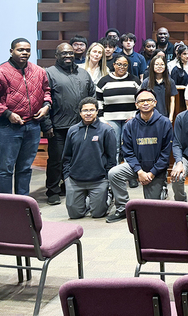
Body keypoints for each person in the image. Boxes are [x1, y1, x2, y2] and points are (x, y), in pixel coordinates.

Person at [0, 38, 51, 195]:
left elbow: (47, 91)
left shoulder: (38, 71)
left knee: (25, 168)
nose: (25, 53)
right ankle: (6, 206)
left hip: (32, 126)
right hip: (8, 128)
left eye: (28, 50)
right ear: (11, 51)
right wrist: (7, 113)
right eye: (20, 50)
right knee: (6, 168)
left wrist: (46, 106)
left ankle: (22, 204)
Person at [106, 88, 173, 222]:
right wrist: (140, 172)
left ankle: (162, 187)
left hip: (156, 171)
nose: (145, 103)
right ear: (136, 105)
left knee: (152, 213)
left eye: (149, 100)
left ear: (155, 102)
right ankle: (122, 208)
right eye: (142, 101)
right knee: (114, 173)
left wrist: (152, 173)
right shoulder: (130, 125)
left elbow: (166, 154)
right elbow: (128, 152)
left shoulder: (165, 123)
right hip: (137, 168)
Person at [45, 42, 96, 205]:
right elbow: (43, 100)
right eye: (63, 53)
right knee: (56, 160)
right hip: (58, 126)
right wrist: (46, 124)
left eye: (70, 53)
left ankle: (69, 186)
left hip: (80, 126)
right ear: (56, 56)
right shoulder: (49, 74)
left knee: (78, 159)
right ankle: (52, 190)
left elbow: (92, 97)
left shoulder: (83, 74)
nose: (68, 56)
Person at [61, 97, 116, 219]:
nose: (88, 113)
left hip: (99, 180)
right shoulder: (72, 130)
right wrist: (66, 178)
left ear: (97, 111)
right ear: (80, 112)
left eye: (92, 110)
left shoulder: (107, 130)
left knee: (97, 214)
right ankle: (86, 200)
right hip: (75, 180)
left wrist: (107, 179)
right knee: (75, 214)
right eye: (85, 110)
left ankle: (108, 196)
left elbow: (112, 158)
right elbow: (66, 156)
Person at [95, 54, 141, 163]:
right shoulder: (104, 81)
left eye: (125, 65)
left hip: (130, 119)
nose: (122, 67)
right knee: (113, 147)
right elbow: (99, 101)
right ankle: (113, 173)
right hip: (110, 119)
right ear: (114, 65)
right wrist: (101, 119)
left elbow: (141, 100)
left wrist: (135, 115)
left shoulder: (135, 80)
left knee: (128, 147)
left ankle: (128, 172)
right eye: (119, 64)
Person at [142, 54, 176, 121]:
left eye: (162, 64)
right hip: (150, 117)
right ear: (152, 66)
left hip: (165, 116)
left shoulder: (170, 82)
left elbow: (172, 101)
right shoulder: (146, 82)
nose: (159, 66)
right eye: (156, 64)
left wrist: (171, 117)